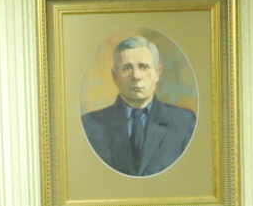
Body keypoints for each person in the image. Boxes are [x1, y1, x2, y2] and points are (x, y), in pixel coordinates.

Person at [81, 36, 195, 177]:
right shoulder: (89, 126)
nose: (136, 76)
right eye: (127, 68)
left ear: (157, 73)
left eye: (144, 67)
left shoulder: (185, 123)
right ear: (115, 76)